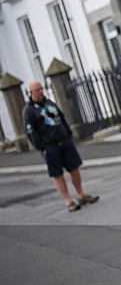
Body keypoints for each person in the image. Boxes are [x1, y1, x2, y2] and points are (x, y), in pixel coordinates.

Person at [23, 80, 98, 212]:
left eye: (41, 89)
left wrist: (68, 134)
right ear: (31, 93)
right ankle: (68, 201)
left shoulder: (49, 103)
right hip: (49, 146)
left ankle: (81, 195)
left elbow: (61, 117)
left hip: (64, 141)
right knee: (58, 175)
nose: (41, 92)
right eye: (37, 90)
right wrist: (42, 147)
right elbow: (31, 132)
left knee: (74, 169)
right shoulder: (29, 111)